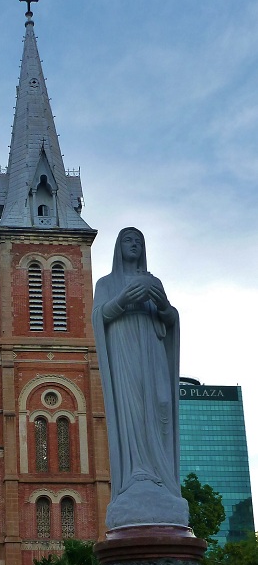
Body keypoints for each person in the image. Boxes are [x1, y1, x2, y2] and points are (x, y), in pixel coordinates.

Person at [92, 227, 188, 529]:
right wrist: (121, 301)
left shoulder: (154, 281)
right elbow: (99, 317)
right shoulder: (107, 283)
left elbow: (171, 320)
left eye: (138, 241)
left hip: (153, 353)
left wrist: (164, 307)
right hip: (125, 356)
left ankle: (161, 477)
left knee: (161, 406)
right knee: (132, 411)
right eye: (127, 240)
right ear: (118, 248)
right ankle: (136, 473)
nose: (133, 245)